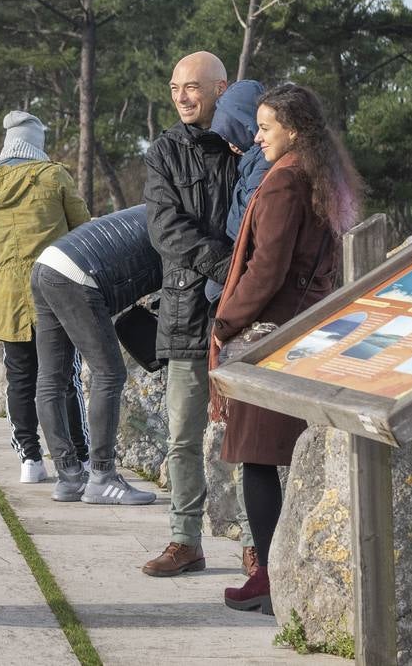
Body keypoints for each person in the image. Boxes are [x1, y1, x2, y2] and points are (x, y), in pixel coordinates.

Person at [214, 83, 361, 614]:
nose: (256, 138)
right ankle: (286, 572)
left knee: (256, 457)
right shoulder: (323, 177)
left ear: (292, 130)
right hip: (310, 330)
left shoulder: (283, 184)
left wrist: (225, 322)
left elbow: (265, 269)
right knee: (291, 457)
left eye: (265, 127)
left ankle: (270, 579)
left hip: (270, 335)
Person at [140, 51, 236, 578]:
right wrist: (228, 266)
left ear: (221, 88)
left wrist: (242, 282)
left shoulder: (246, 145)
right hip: (184, 310)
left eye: (192, 87)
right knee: (182, 436)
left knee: (247, 437)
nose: (181, 96)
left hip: (244, 314)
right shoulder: (163, 152)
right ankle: (184, 540)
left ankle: (256, 543)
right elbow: (165, 229)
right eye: (175, 87)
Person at [0, 111, 91, 483]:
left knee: (20, 377)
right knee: (63, 377)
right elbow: (83, 227)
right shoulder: (54, 176)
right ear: (36, 144)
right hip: (53, 293)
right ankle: (78, 457)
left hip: (7, 296)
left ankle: (29, 459)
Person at [32, 204, 161, 504]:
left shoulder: (157, 208)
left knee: (51, 378)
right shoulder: (178, 226)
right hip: (77, 274)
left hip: (48, 263)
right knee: (110, 373)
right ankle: (102, 476)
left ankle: (69, 478)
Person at [204, 78, 271, 577]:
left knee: (257, 448)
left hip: (251, 318)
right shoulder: (247, 164)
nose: (230, 141)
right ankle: (259, 555)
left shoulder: (271, 175)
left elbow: (260, 258)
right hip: (233, 301)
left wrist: (226, 318)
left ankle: (262, 560)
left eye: (238, 130)